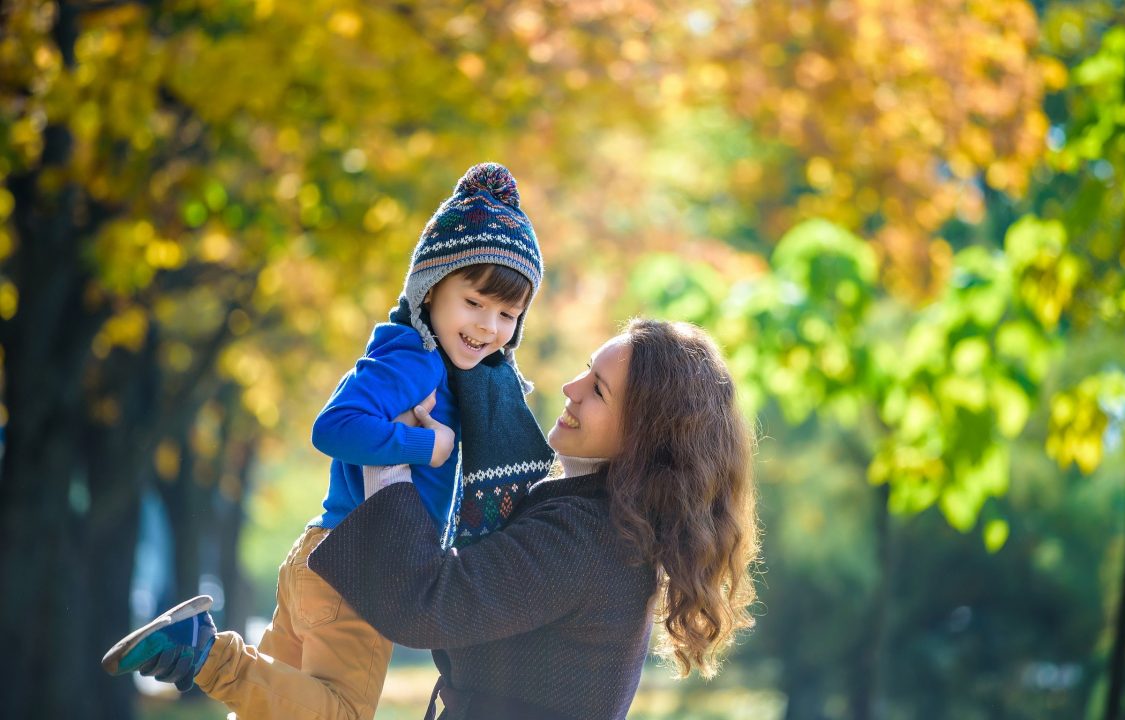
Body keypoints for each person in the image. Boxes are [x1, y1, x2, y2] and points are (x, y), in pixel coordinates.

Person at [101, 162, 555, 720]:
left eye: (508, 313)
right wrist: (426, 449)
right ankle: (202, 652)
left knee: (273, 708)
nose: (488, 326)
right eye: (474, 303)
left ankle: (203, 653)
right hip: (356, 569)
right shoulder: (415, 361)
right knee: (342, 712)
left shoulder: (425, 362)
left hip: (324, 553)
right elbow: (334, 426)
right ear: (430, 289)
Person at [310, 318, 761, 719]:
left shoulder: (587, 538)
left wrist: (388, 457)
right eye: (587, 368)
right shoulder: (595, 516)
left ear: (643, 438)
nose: (572, 387)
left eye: (598, 390)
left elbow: (429, 605)